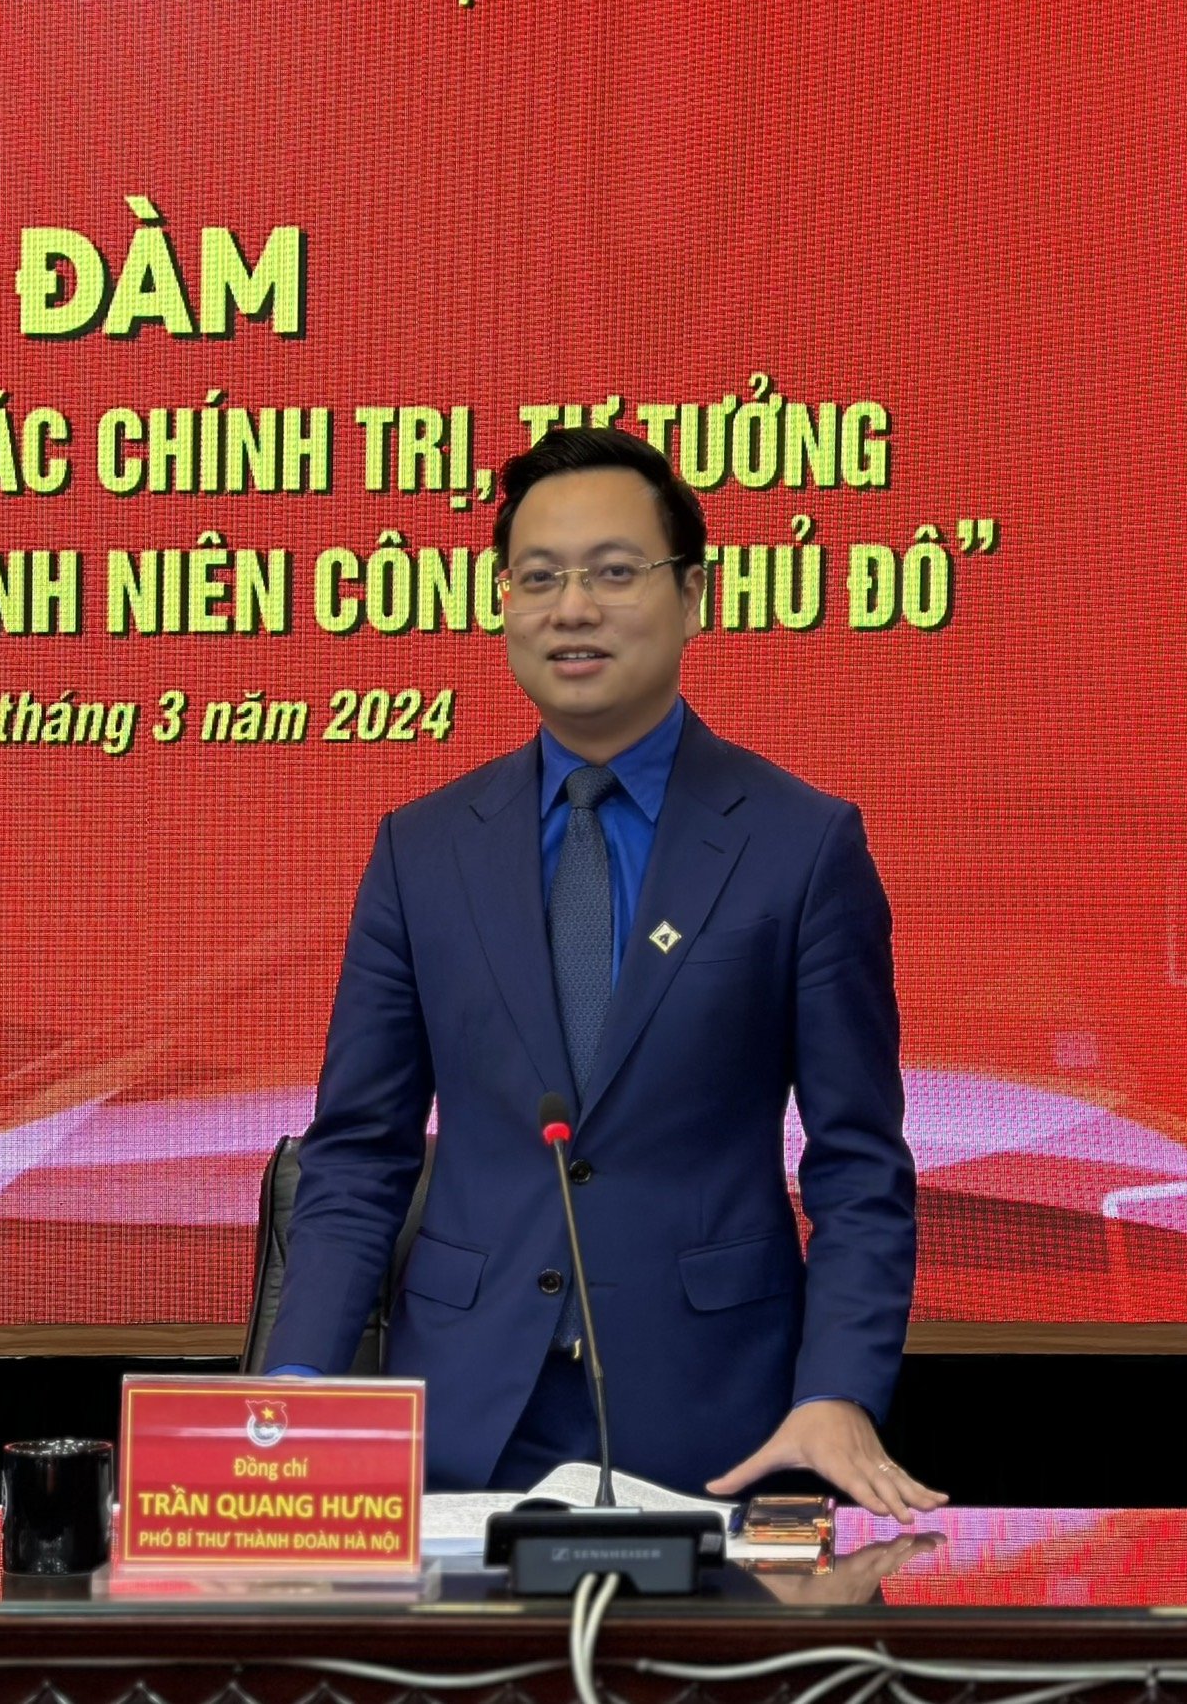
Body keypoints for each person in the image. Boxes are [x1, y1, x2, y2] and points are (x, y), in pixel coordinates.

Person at [265, 427, 942, 1519]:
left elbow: (858, 1163)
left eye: (614, 572)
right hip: (464, 1421)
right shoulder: (421, 850)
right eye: (537, 578)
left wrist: (836, 1390)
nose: (571, 608)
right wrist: (292, 1389)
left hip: (718, 1421)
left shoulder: (800, 845)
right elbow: (359, 1151)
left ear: (694, 596)